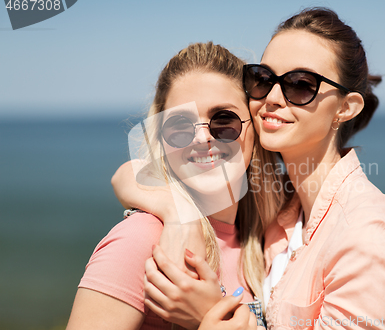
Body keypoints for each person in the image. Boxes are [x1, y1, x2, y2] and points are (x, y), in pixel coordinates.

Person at [114, 7, 385, 330]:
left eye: (301, 85)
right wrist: (173, 209)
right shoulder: (274, 211)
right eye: (263, 79)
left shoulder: (365, 234)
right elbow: (131, 173)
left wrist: (211, 314)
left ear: (346, 108)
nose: (273, 97)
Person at [66, 42, 286, 330]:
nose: (202, 138)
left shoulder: (267, 240)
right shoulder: (142, 241)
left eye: (224, 120)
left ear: (254, 129)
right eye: (180, 125)